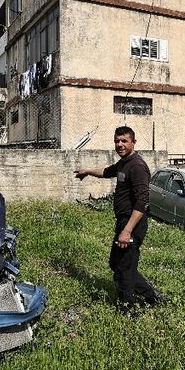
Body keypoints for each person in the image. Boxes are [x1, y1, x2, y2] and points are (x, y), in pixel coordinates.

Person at [75, 126, 163, 311]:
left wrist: (127, 230)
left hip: (132, 223)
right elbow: (107, 171)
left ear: (133, 143)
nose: (120, 145)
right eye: (117, 141)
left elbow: (142, 202)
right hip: (123, 222)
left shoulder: (138, 166)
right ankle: (151, 296)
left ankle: (127, 309)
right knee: (116, 263)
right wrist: (87, 171)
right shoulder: (124, 163)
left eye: (124, 141)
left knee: (124, 268)